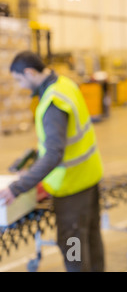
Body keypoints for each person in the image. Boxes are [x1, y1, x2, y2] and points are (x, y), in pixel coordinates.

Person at [0, 51, 105, 272]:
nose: (21, 86)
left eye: (20, 80)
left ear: (29, 72)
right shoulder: (65, 85)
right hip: (89, 178)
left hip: (71, 190)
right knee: (92, 238)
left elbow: (54, 154)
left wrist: (18, 187)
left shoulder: (52, 103)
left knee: (73, 246)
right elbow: (59, 143)